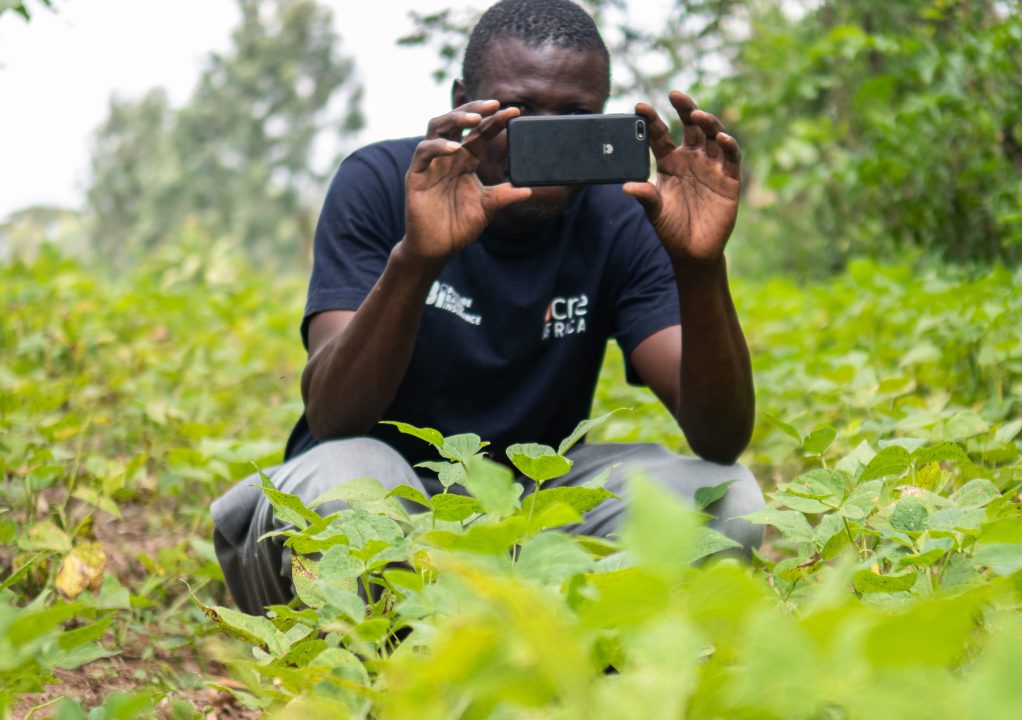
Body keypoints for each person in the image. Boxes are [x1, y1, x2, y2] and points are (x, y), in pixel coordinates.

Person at [211, 0, 764, 615]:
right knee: (352, 494)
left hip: (522, 507)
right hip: (385, 482)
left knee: (727, 501)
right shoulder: (381, 182)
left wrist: (700, 264)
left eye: (576, 115)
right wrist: (416, 260)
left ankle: (570, 669)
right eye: (518, 111)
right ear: (460, 99)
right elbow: (333, 415)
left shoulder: (619, 215)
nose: (542, 134)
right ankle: (376, 676)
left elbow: (720, 436)